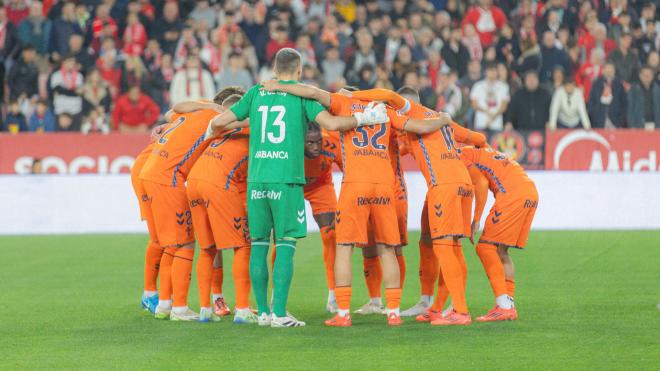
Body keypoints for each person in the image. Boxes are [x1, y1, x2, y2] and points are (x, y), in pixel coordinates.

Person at [205, 48, 388, 327]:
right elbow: (333, 123)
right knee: (286, 245)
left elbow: (219, 122)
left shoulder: (255, 92)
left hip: (256, 180)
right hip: (286, 179)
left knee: (258, 245)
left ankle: (264, 313)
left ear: (276, 68)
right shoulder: (300, 96)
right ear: (299, 70)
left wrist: (209, 133)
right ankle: (279, 314)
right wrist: (366, 119)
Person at [349, 87, 488, 325]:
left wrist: (351, 96)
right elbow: (479, 140)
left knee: (444, 248)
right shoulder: (440, 120)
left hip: (443, 185)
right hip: (464, 184)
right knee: (453, 248)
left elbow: (389, 96)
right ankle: (438, 308)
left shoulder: (412, 112)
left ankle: (461, 311)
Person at [172, 90, 256, 323]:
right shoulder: (254, 128)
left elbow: (174, 109)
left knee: (208, 248)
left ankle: (205, 310)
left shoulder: (217, 127)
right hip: (219, 182)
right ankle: (242, 309)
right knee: (242, 246)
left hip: (195, 181)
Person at [139, 95, 223, 321]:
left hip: (150, 172)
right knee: (185, 242)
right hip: (168, 177)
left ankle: (164, 305)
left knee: (170, 244)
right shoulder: (217, 118)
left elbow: (172, 110)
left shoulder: (195, 111)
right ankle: (180, 308)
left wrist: (207, 105)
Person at [460, 146, 538, 322]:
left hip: (512, 195)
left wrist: (476, 218)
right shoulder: (486, 151)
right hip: (530, 192)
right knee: (501, 251)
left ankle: (503, 306)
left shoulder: (461, 154)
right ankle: (508, 304)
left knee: (485, 248)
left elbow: (480, 183)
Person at [302, 123, 343, 312]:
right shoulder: (287, 144)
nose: (316, 147)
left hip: (320, 185)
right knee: (283, 241)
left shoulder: (333, 142)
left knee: (331, 235)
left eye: (319, 142)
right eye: (310, 143)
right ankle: (275, 299)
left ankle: (333, 297)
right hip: (292, 184)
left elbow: (350, 170)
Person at [470, 62, 510, 131]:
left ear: (497, 72)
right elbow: (473, 104)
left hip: (497, 123)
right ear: (486, 72)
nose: (492, 73)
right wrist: (486, 112)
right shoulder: (478, 86)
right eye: (490, 70)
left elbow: (504, 106)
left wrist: (493, 116)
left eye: (494, 71)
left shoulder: (503, 86)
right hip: (481, 122)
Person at [588, 62, 627, 128]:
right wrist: (594, 116)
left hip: (615, 122)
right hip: (599, 122)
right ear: (603, 71)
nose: (609, 73)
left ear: (614, 71)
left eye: (611, 71)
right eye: (607, 70)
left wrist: (620, 120)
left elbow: (624, 104)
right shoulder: (597, 84)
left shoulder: (619, 85)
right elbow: (591, 101)